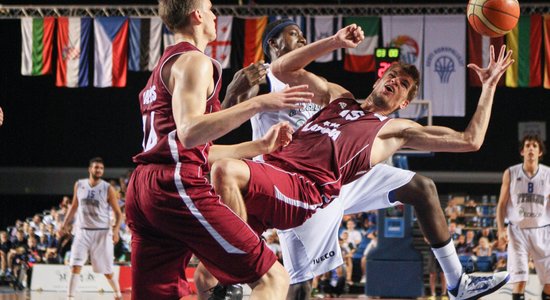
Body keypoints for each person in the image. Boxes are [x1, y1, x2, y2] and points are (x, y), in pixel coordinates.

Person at [198, 22, 514, 300]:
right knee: (212, 274)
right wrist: (335, 41)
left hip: (307, 188)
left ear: (404, 102)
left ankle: (457, 282)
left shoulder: (395, 130)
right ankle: (235, 275)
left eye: (403, 84)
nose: (394, 81)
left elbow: (470, 140)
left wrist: (488, 88)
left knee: (421, 187)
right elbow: (281, 70)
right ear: (377, 80)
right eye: (392, 76)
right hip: (279, 173)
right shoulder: (338, 97)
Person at [124, 1, 314, 299]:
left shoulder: (160, 70)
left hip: (143, 188)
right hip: (174, 186)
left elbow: (195, 150)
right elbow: (189, 133)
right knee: (273, 278)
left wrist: (260, 146)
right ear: (197, 15)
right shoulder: (194, 62)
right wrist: (259, 103)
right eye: (210, 8)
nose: (216, 15)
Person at [496, 135, 550, 300]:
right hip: (517, 231)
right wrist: (500, 230)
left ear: (540, 152)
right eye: (527, 146)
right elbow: (501, 205)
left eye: (534, 146)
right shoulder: (511, 173)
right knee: (519, 280)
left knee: (549, 284)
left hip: (542, 231)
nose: (531, 149)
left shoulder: (548, 174)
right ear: (522, 151)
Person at [62, 157, 123, 299]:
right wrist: (65, 222)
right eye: (96, 167)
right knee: (75, 265)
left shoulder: (107, 188)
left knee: (106, 270)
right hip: (82, 231)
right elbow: (74, 206)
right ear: (90, 169)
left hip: (102, 232)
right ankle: (70, 297)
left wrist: (115, 230)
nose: (99, 170)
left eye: (101, 168)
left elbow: (118, 214)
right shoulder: (79, 184)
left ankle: (117, 293)